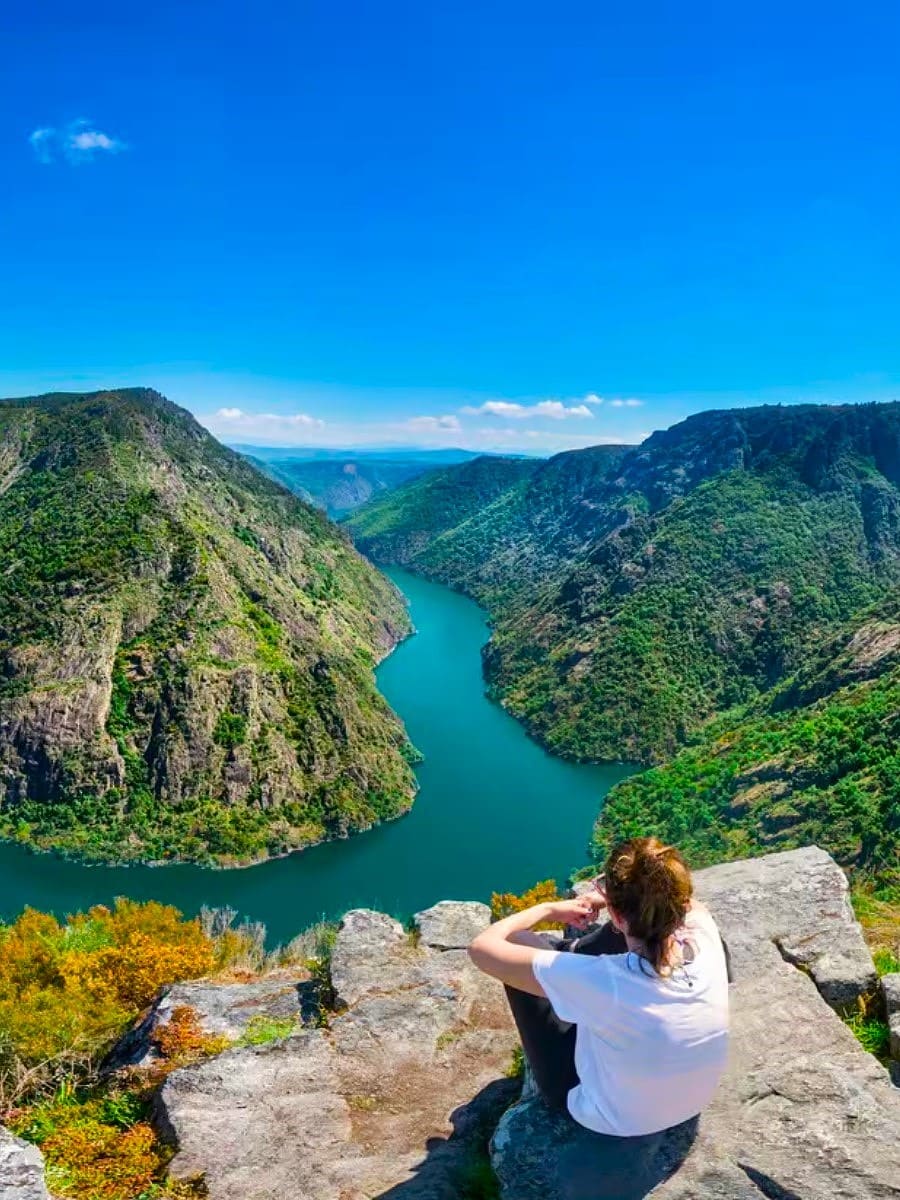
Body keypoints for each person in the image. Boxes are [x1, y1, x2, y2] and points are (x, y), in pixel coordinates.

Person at [468, 837, 730, 1150]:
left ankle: (572, 952)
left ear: (617, 914)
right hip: (691, 1101)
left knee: (523, 944)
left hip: (610, 1118)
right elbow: (682, 904)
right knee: (642, 935)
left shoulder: (606, 982)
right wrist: (618, 900)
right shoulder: (705, 934)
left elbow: (482, 949)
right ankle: (581, 947)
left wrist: (548, 908)